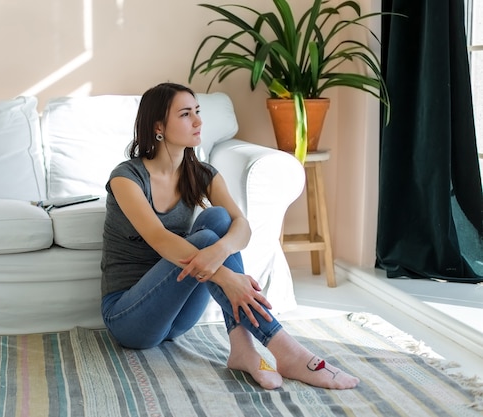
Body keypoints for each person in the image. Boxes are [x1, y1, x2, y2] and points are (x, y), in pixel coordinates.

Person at [100, 82, 359, 390]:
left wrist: (221, 249)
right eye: (186, 114)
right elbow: (159, 238)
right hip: (130, 319)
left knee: (219, 220)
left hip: (178, 317)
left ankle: (243, 348)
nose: (198, 121)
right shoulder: (126, 177)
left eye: (197, 112)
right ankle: (284, 350)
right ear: (158, 126)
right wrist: (225, 276)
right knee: (206, 239)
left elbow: (242, 225)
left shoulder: (201, 173)